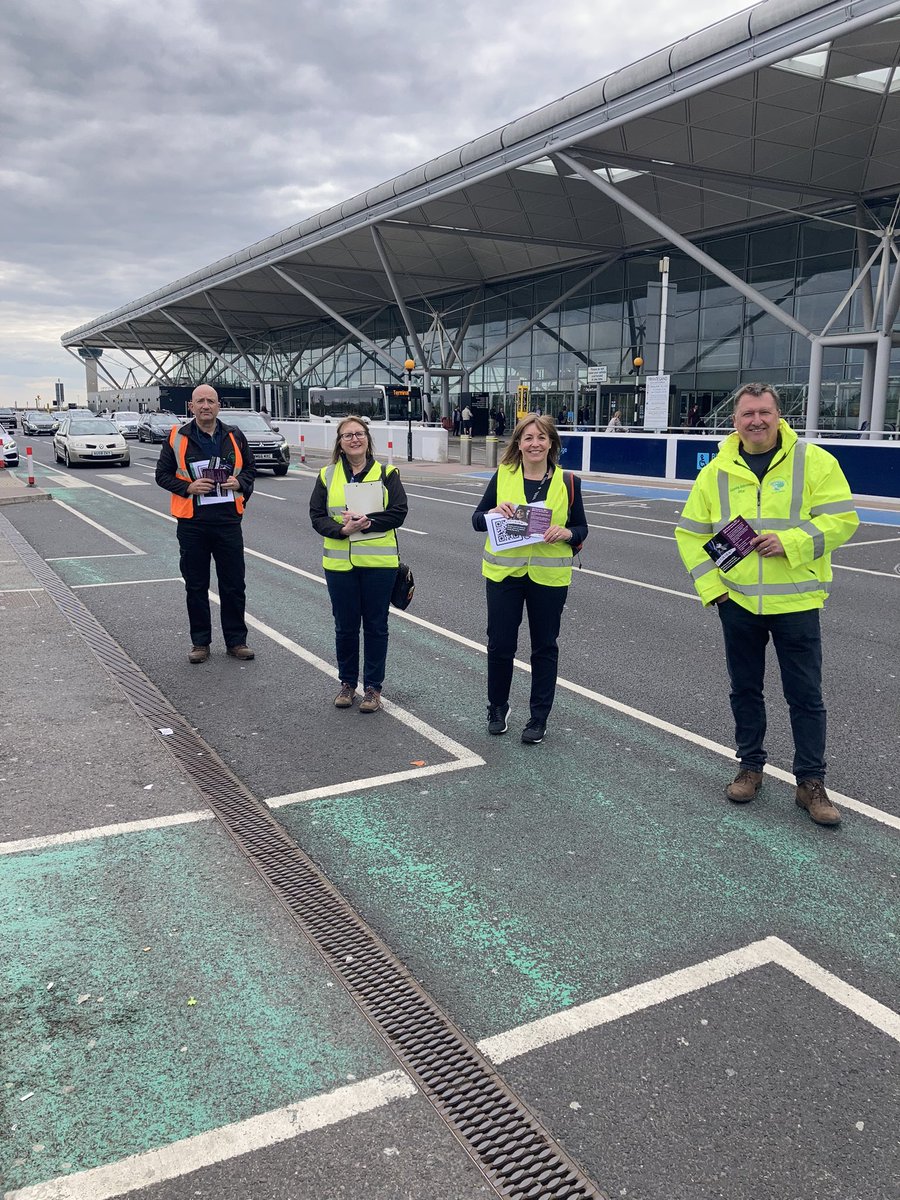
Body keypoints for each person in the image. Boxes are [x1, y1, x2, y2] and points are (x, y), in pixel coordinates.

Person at [675, 383, 859, 826]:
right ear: (734, 421)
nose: (756, 420)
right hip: (737, 602)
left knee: (806, 696)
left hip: (796, 600)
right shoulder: (715, 471)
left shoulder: (814, 461)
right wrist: (712, 590)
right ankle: (750, 766)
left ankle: (811, 783)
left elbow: (843, 519)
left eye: (764, 412)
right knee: (745, 689)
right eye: (747, 414)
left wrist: (791, 542)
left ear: (779, 415)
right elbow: (690, 534)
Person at [472, 413, 588, 745]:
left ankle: (539, 717)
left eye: (541, 438)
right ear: (518, 444)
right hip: (504, 574)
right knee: (500, 644)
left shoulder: (568, 482)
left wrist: (566, 532)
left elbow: (581, 529)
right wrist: (492, 514)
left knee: (544, 648)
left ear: (551, 443)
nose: (534, 443)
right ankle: (497, 707)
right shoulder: (503, 476)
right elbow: (476, 519)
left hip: (548, 578)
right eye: (528, 438)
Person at [309, 416, 408, 713]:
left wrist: (368, 524)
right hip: (340, 566)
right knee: (346, 627)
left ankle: (373, 688)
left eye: (359, 434)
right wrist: (341, 530)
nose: (354, 439)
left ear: (367, 438)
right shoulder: (327, 475)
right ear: (339, 443)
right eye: (347, 435)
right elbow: (317, 517)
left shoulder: (387, 472)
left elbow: (399, 513)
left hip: (379, 564)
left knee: (376, 626)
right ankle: (347, 683)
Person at [155, 385, 257, 663]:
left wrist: (240, 482)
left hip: (228, 521)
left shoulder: (234, 435)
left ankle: (237, 641)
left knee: (234, 584)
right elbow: (161, 475)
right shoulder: (177, 437)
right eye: (200, 401)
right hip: (192, 523)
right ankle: (200, 642)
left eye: (210, 401)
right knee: (196, 585)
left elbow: (250, 469)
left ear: (218, 406)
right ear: (191, 406)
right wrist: (189, 487)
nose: (205, 406)